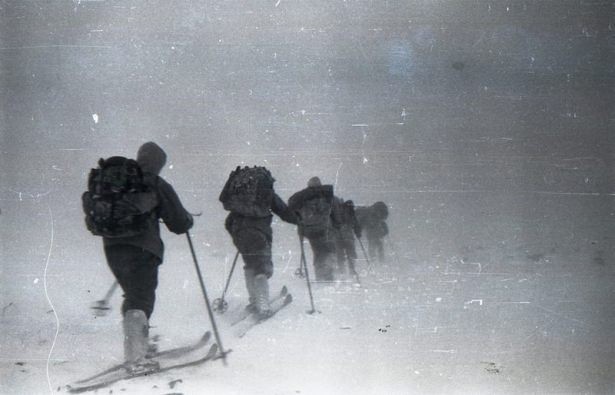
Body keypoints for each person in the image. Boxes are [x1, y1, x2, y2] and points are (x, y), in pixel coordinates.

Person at [83, 142, 194, 372]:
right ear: (159, 163)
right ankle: (137, 359)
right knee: (141, 299)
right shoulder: (154, 182)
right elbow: (179, 223)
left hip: (112, 248)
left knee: (133, 296)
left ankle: (137, 348)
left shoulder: (118, 180)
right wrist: (187, 221)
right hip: (144, 248)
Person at [219, 166, 296, 319]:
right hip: (258, 231)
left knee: (250, 264)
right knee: (262, 266)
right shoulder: (265, 191)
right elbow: (283, 211)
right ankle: (262, 304)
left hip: (237, 230)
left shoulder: (238, 191)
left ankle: (254, 301)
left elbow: (223, 200)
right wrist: (299, 219)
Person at [288, 177, 336, 281]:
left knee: (318, 252)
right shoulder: (327, 196)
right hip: (325, 229)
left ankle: (319, 276)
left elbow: (291, 208)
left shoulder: (302, 197)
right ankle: (328, 274)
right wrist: (337, 225)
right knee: (328, 251)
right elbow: (334, 212)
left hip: (310, 230)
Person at [332, 198, 362, 280]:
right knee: (351, 253)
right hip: (348, 236)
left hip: (337, 237)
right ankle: (352, 270)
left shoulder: (334, 212)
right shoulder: (350, 212)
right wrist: (358, 233)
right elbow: (356, 224)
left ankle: (342, 270)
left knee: (340, 254)